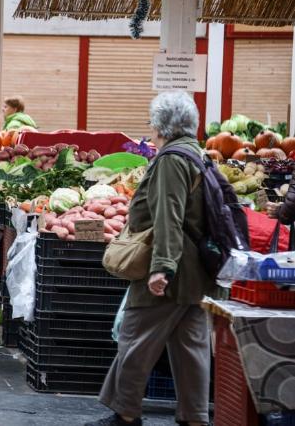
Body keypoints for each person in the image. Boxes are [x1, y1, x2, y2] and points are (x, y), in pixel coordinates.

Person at [85, 90, 212, 426]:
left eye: (152, 124)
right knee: (191, 348)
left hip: (172, 267)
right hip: (196, 272)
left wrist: (162, 268)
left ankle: (126, 415)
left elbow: (169, 217)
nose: (151, 131)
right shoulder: (197, 154)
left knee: (135, 338)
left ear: (162, 125)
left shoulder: (172, 160)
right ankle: (195, 418)